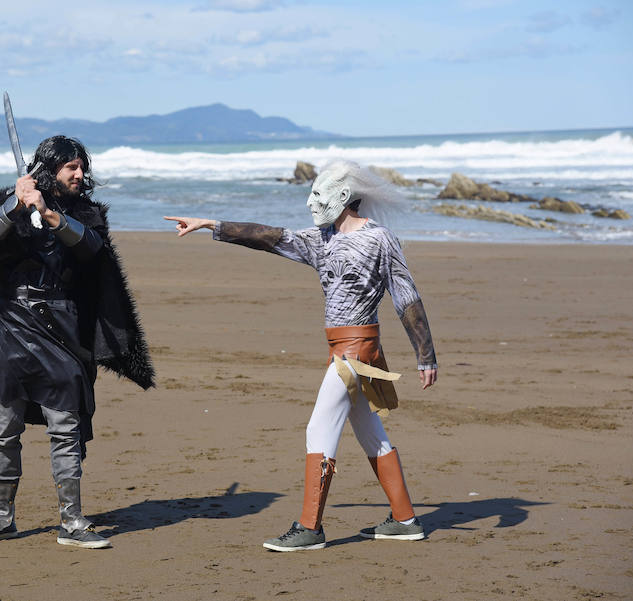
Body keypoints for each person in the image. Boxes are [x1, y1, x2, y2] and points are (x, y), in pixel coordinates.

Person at [164, 160, 437, 551]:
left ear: (343, 196)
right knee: (370, 432)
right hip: (343, 350)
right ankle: (406, 519)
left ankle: (310, 528)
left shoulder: (379, 239)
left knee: (318, 429)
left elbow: (406, 296)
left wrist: (426, 355)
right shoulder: (320, 239)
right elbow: (268, 236)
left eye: (318, 193)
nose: (311, 201)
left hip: (357, 352)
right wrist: (211, 224)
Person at [0, 135, 154, 549]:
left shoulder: (87, 213)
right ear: (50, 170)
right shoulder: (13, 201)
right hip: (9, 325)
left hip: (62, 329)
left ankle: (73, 521)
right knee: (4, 428)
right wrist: (14, 206)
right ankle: (1, 517)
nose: (81, 175)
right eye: (72, 168)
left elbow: (92, 249)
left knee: (66, 426)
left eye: (82, 167)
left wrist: (49, 214)